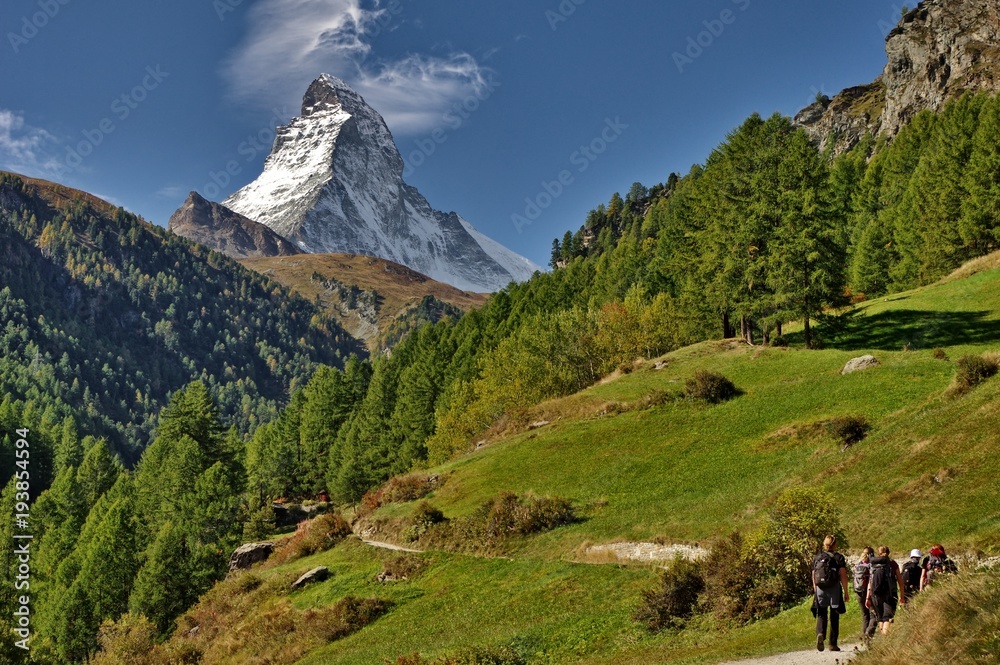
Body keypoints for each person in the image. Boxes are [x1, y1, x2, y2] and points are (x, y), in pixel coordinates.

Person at [812, 535, 849, 652]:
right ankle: (832, 644)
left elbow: (814, 575)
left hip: (820, 588)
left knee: (822, 613)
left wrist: (815, 589)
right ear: (834, 544)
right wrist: (846, 591)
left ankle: (820, 633)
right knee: (834, 615)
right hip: (834, 589)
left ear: (824, 544)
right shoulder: (839, 557)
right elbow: (842, 575)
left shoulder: (817, 557)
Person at [866, 545, 906, 635]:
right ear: (888, 553)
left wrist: (867, 597)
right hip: (890, 594)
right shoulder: (892, 564)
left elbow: (870, 581)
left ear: (878, 553)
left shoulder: (873, 563)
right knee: (887, 617)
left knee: (880, 618)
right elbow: (900, 581)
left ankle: (882, 637)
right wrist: (902, 596)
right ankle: (885, 638)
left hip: (875, 594)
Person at [853, 546, 877, 641]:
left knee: (865, 615)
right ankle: (868, 635)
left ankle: (865, 638)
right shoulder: (871, 565)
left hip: (858, 592)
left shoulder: (858, 565)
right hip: (869, 592)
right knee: (873, 615)